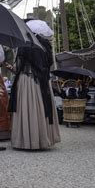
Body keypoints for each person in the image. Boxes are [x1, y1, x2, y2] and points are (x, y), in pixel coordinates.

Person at [8, 20, 61, 150]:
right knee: (40, 109)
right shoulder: (45, 46)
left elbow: (19, 66)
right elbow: (47, 65)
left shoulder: (25, 45)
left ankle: (27, 140)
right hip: (42, 83)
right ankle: (43, 139)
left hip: (27, 82)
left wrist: (12, 67)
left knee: (28, 109)